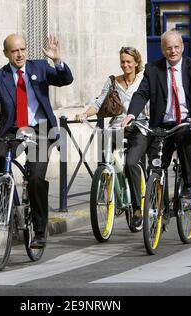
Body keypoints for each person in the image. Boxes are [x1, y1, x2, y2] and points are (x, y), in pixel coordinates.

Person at [0, 34, 74, 249]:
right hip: (13, 130)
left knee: (35, 178)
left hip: (41, 129)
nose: (20, 54)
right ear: (6, 53)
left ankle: (40, 231)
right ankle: (8, 197)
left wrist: (57, 60)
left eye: (23, 49)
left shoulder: (40, 68)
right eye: (14, 51)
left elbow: (65, 80)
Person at [122, 30, 191, 204]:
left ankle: (189, 185)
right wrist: (131, 114)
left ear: (183, 47)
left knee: (185, 139)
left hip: (186, 122)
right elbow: (141, 93)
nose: (173, 51)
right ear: (163, 50)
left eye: (176, 47)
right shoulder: (153, 69)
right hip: (161, 125)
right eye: (168, 48)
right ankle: (159, 207)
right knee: (156, 165)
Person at [75, 47, 149, 227]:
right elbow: (99, 101)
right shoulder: (113, 81)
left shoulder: (143, 82)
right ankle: (111, 187)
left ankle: (137, 208)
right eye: (123, 61)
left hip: (138, 127)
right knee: (105, 158)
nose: (125, 65)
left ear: (136, 63)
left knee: (131, 163)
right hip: (116, 127)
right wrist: (85, 113)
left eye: (129, 62)